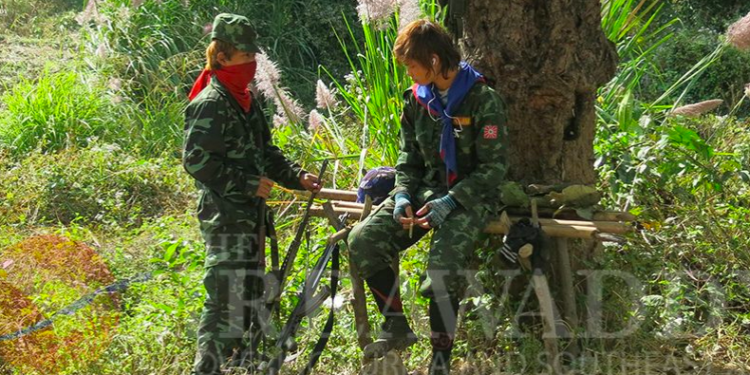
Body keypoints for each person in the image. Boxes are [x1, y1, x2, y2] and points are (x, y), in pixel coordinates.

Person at [347, 19, 508, 375]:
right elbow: (408, 159)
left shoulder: (483, 100)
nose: (408, 73)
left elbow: (494, 169)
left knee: (439, 275)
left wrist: (451, 202)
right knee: (363, 240)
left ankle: (440, 362)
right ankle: (396, 326)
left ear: (434, 61)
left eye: (411, 66)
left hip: (470, 197)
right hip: (424, 191)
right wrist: (403, 194)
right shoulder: (418, 101)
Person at [182, 13, 320, 375]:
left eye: (254, 58)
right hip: (225, 216)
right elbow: (195, 161)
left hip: (253, 216)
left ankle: (241, 362)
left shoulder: (246, 99)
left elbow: (267, 153)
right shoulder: (210, 103)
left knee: (251, 293)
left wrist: (297, 176)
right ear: (222, 57)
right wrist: (244, 184)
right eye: (245, 58)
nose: (252, 65)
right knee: (223, 296)